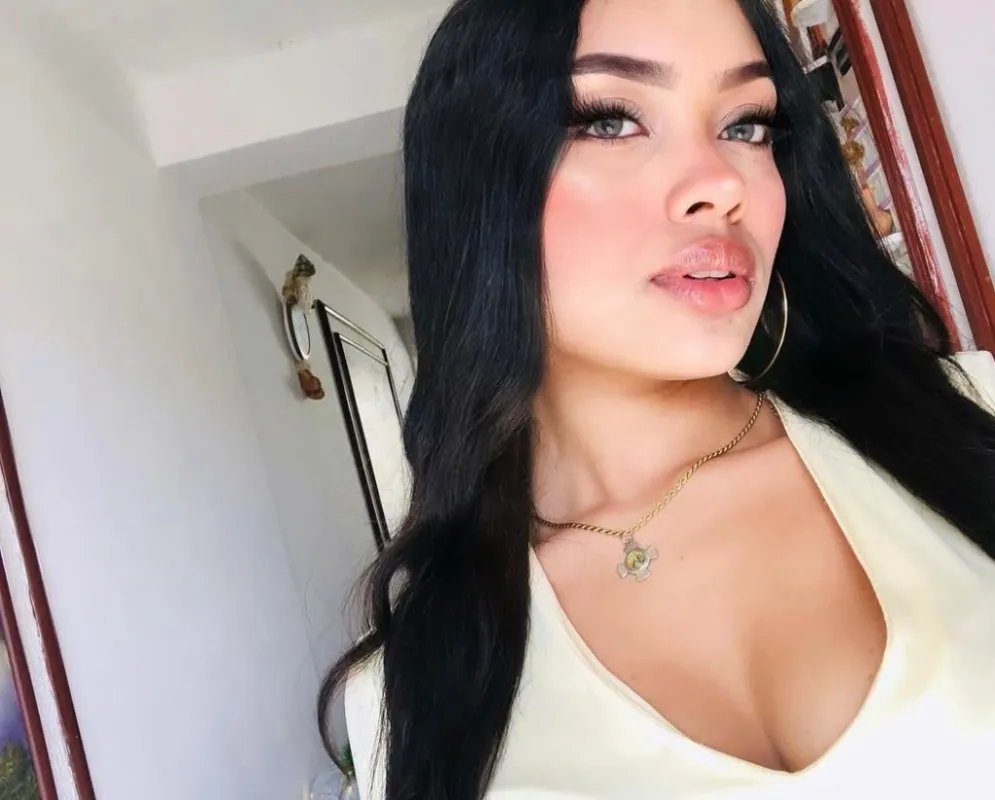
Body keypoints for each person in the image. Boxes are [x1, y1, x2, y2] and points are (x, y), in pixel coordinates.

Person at [319, 0, 995, 797]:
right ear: (475, 184)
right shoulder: (407, 697)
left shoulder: (972, 417)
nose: (720, 184)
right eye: (609, 120)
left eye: (747, 125)